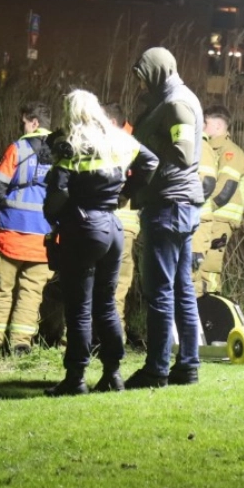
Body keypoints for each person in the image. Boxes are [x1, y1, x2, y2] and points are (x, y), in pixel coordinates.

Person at [43, 90, 158, 396]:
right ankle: (113, 374)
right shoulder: (118, 139)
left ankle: (76, 378)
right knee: (106, 305)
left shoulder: (73, 144)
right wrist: (125, 193)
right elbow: (150, 161)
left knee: (79, 308)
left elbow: (57, 192)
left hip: (82, 226)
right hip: (113, 226)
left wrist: (53, 217)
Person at [124, 47, 205, 389]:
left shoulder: (176, 104)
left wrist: (146, 168)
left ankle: (156, 369)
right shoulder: (178, 100)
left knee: (159, 291)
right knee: (182, 289)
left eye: (143, 77)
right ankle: (187, 366)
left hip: (168, 205)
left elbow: (183, 154)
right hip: (180, 205)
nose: (141, 86)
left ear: (158, 72)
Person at [0, 101, 53, 355]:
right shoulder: (61, 153)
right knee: (31, 293)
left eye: (24, 121)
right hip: (43, 240)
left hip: (9, 235)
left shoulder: (18, 148)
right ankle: (20, 344)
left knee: (2, 290)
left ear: (34, 123)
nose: (21, 125)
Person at [192, 105, 244, 296]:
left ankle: (212, 311)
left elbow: (224, 190)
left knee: (208, 270)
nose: (202, 127)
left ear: (218, 126)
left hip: (219, 219)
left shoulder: (231, 152)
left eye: (205, 123)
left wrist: (201, 209)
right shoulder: (208, 149)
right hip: (209, 217)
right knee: (197, 269)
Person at [103, 103, 141, 330]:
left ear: (111, 123)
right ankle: (114, 338)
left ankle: (77, 340)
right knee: (117, 285)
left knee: (90, 280)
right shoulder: (138, 143)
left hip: (102, 222)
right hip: (126, 225)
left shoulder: (104, 144)